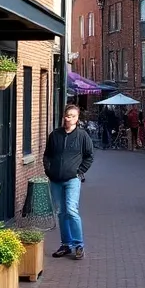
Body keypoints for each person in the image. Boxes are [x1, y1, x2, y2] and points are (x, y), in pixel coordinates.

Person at [43, 103, 94, 259]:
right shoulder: (55, 135)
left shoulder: (82, 136)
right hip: (56, 180)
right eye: (67, 115)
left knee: (71, 211)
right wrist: (49, 170)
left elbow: (89, 156)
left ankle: (79, 245)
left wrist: (79, 172)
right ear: (63, 117)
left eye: (72, 116)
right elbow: (47, 155)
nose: (69, 119)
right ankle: (66, 244)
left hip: (72, 179)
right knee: (61, 212)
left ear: (77, 118)